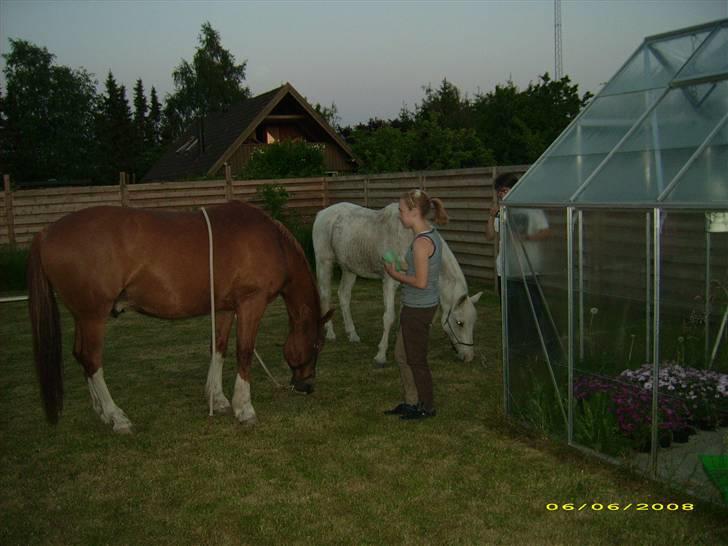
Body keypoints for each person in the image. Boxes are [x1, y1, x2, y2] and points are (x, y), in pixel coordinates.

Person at [383, 188, 449, 420]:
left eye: (401, 211)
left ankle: (426, 407)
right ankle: (412, 401)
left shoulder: (422, 243)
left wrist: (394, 274)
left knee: (416, 359)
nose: (400, 215)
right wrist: (403, 267)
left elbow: (421, 282)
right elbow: (422, 271)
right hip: (415, 305)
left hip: (419, 308)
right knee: (402, 355)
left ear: (413, 212)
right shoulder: (428, 235)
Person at [485, 173, 554, 356]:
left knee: (533, 310)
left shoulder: (531, 209)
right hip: (506, 270)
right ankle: (514, 345)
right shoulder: (502, 211)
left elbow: (547, 232)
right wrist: (492, 217)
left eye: (504, 190)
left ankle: (536, 343)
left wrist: (527, 237)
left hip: (529, 268)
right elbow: (490, 236)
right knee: (510, 311)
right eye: (499, 192)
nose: (501, 195)